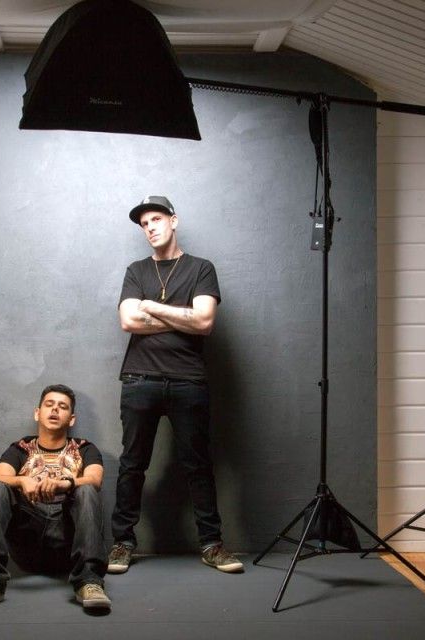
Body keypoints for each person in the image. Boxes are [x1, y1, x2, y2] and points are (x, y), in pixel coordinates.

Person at [108, 195, 243, 574]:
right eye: (144, 224)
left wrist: (151, 306)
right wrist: (183, 317)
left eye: (156, 219)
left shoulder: (201, 268)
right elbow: (128, 322)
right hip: (140, 378)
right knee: (133, 464)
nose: (149, 227)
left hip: (188, 380)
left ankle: (212, 544)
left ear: (173, 220)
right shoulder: (136, 271)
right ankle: (122, 543)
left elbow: (204, 322)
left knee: (198, 465)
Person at [0, 384, 111, 611]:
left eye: (62, 407)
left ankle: (90, 581)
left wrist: (65, 484)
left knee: (86, 490)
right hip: (27, 543)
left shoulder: (85, 448)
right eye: (49, 405)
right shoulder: (20, 448)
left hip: (68, 545)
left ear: (71, 419)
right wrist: (21, 480)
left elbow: (95, 480)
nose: (55, 410)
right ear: (37, 413)